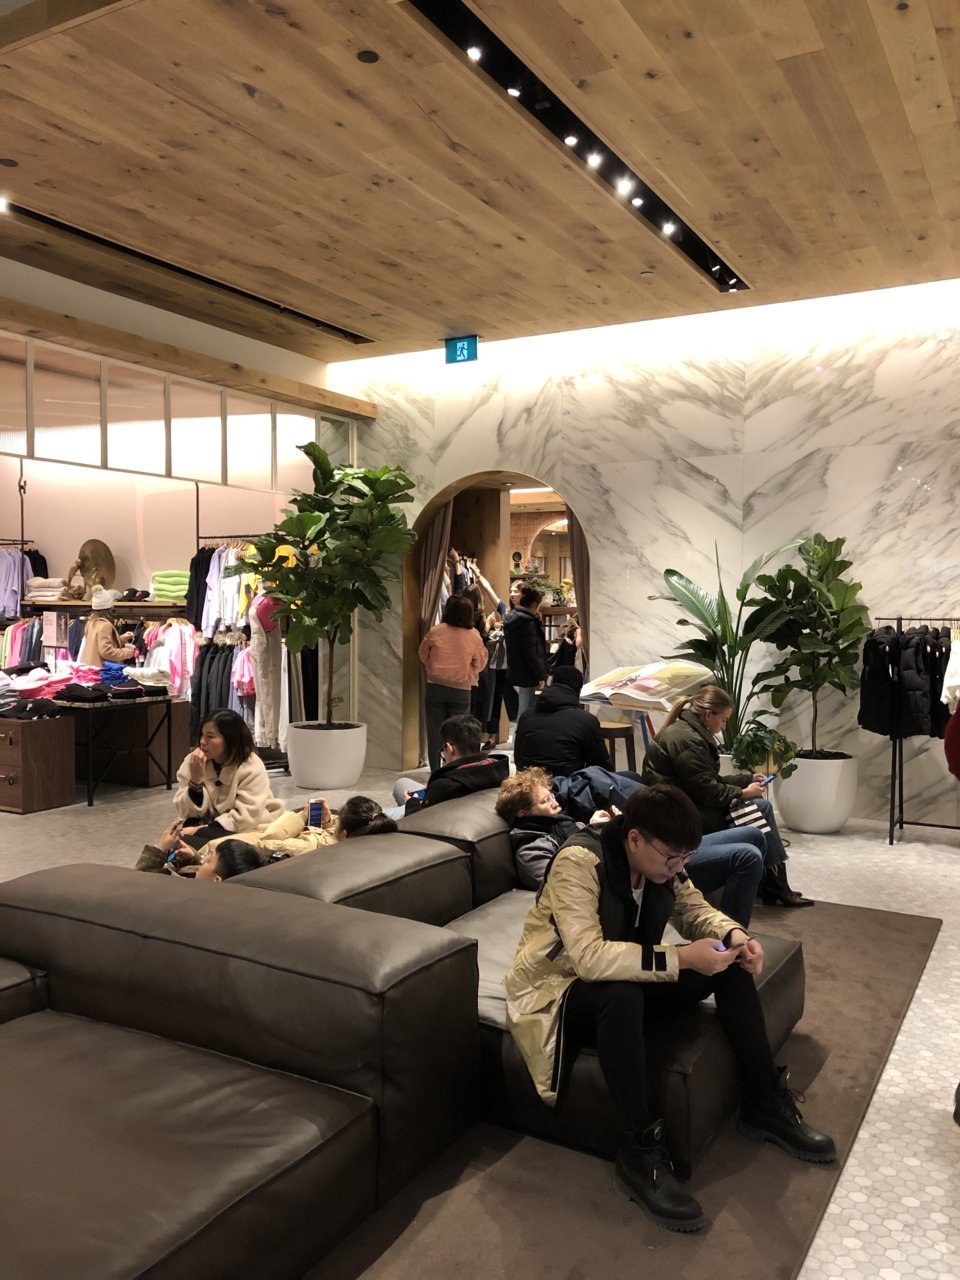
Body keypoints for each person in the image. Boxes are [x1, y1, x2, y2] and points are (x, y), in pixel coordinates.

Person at [504, 783, 836, 1233]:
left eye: (685, 859)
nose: (679, 868)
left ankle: (763, 1100)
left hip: (622, 974)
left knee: (729, 960)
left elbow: (695, 911)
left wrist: (735, 936)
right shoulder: (579, 862)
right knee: (621, 994)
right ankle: (638, 1151)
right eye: (672, 859)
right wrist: (680, 958)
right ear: (634, 838)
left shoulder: (664, 864)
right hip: (557, 989)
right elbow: (587, 958)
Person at [497, 767, 767, 926]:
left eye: (551, 796)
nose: (554, 802)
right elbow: (563, 877)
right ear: (523, 813)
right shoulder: (531, 845)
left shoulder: (562, 822)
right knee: (748, 855)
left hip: (638, 851)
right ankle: (733, 944)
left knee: (753, 835)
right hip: (639, 863)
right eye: (544, 802)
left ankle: (769, 890)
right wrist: (599, 830)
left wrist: (609, 826)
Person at [641, 685, 812, 909]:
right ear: (708, 714)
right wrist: (743, 792)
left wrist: (747, 779)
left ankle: (774, 884)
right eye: (723, 720)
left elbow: (705, 781)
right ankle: (776, 884)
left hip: (685, 806)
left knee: (760, 806)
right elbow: (707, 791)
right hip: (683, 816)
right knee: (760, 807)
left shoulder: (687, 733)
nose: (723, 727)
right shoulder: (688, 740)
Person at [174, 707, 284, 849]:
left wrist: (201, 830)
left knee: (189, 842)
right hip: (211, 824)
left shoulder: (251, 765)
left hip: (248, 828)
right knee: (180, 841)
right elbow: (186, 812)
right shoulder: (194, 761)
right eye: (202, 735)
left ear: (230, 739)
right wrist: (195, 780)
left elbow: (245, 818)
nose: (202, 741)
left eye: (210, 736)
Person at [390, 713, 509, 817]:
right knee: (402, 783)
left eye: (443, 749)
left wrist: (412, 803)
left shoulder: (444, 785)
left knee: (380, 814)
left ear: (449, 748)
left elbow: (418, 818)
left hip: (430, 816)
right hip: (465, 811)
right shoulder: (495, 768)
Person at [418, 595, 488, 771]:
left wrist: (432, 667)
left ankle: (435, 771)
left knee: (434, 732)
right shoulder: (473, 635)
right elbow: (480, 663)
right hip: (461, 689)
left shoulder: (436, 630)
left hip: (435, 686)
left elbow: (422, 653)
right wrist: (468, 672)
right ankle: (456, 770)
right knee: (459, 734)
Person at [514, 665, 612, 775]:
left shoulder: (526, 717)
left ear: (553, 683)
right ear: (579, 690)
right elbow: (602, 767)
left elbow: (518, 759)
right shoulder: (586, 721)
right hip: (568, 783)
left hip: (528, 782)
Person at [504, 584, 549, 721]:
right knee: (525, 714)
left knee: (522, 712)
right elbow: (531, 652)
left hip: (515, 671)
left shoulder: (513, 618)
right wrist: (541, 675)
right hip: (527, 674)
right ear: (534, 604)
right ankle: (519, 736)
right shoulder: (527, 622)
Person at [79, 586, 137, 667]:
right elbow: (106, 651)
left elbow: (99, 645)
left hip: (92, 668)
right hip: (103, 670)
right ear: (109, 608)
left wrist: (121, 638)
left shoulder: (90, 622)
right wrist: (127, 652)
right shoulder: (105, 625)